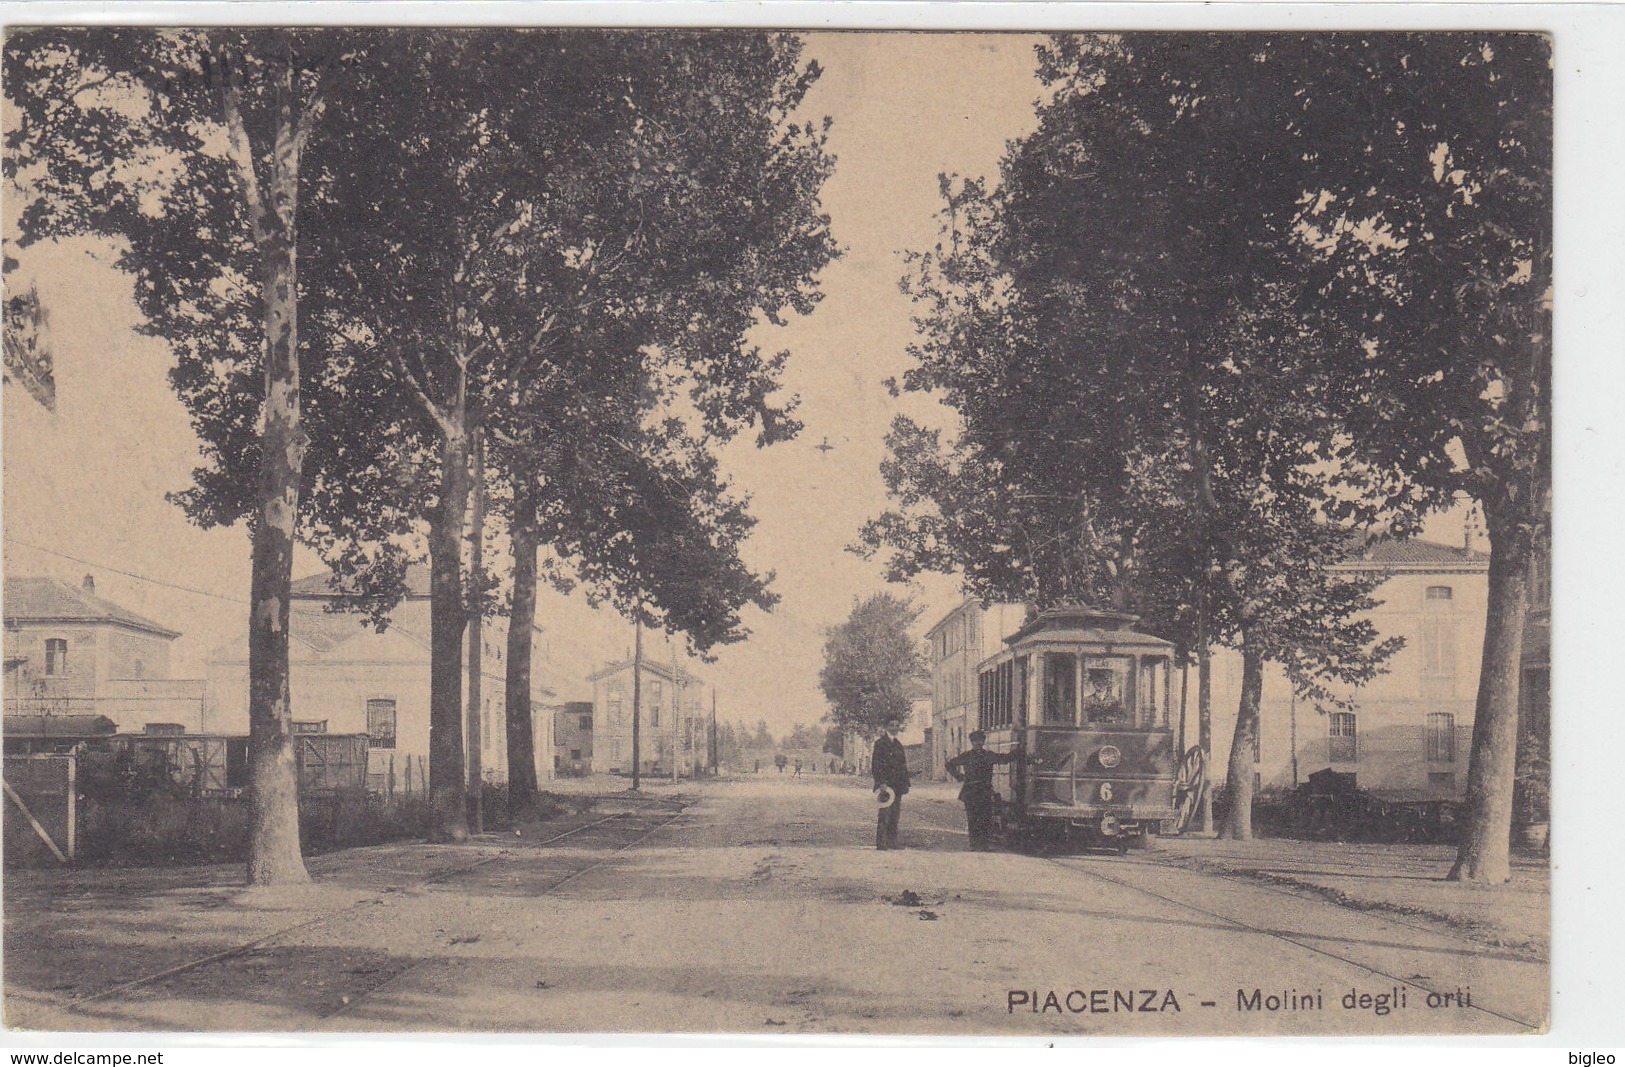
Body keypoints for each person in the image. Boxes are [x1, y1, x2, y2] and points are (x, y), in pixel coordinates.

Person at [946, 730, 1023, 851]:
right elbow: (950, 764)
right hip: (970, 790)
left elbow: (1003, 759)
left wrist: (1017, 752)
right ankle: (974, 844)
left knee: (985, 818)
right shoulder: (966, 756)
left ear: (983, 742)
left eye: (980, 741)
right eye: (975, 741)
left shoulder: (988, 755)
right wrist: (958, 776)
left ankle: (984, 844)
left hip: (984, 790)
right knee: (972, 818)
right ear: (972, 742)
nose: (978, 743)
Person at [871, 718, 910, 850]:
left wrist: (905, 784)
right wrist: (881, 782)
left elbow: (903, 766)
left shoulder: (898, 744)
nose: (894, 728)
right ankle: (881, 842)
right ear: (886, 726)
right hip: (886, 785)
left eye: (896, 725)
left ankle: (892, 841)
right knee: (884, 813)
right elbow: (876, 765)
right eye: (891, 725)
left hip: (897, 785)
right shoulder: (880, 744)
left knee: (895, 814)